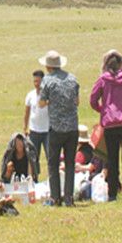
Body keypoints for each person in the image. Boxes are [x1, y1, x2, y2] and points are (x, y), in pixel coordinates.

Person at [90, 49, 122, 201]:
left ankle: (112, 194)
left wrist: (103, 110)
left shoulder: (103, 79)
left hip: (110, 123)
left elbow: (93, 100)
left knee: (112, 159)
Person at [38, 50, 80, 207]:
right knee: (70, 163)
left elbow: (41, 103)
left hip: (56, 128)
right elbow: (77, 101)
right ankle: (69, 197)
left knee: (53, 164)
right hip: (72, 128)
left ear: (48, 66)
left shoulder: (47, 80)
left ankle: (55, 197)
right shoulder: (72, 78)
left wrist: (51, 102)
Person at [23, 69, 48, 182]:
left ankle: (51, 179)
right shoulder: (30, 95)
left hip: (47, 131)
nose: (36, 84)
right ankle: (34, 179)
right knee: (33, 157)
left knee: (50, 156)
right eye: (35, 81)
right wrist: (25, 127)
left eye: (38, 81)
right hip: (34, 131)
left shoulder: (48, 95)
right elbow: (27, 113)